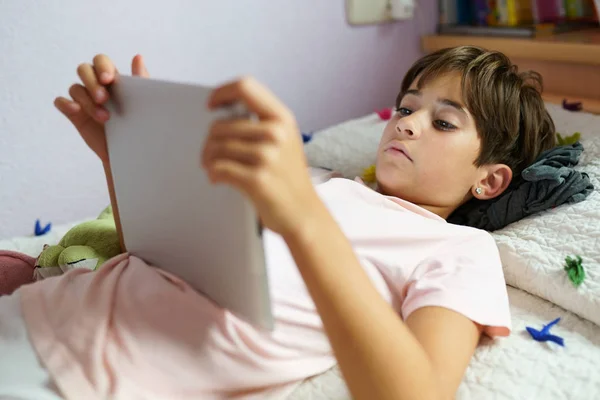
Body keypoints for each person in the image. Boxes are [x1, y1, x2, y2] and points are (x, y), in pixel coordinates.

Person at [0, 46, 556, 400]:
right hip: (44, 310)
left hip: (85, 374)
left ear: (489, 181)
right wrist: (119, 154)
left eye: (442, 121)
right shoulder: (316, 178)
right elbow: (158, 251)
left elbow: (418, 393)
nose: (408, 125)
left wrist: (302, 218)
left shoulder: (460, 248)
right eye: (407, 109)